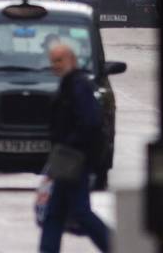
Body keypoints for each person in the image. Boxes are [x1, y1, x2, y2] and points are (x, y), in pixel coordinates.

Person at [38, 40, 111, 252]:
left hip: (75, 159)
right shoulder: (69, 83)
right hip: (67, 159)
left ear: (72, 59)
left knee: (78, 211)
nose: (56, 65)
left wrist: (70, 145)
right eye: (53, 61)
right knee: (55, 213)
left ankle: (116, 245)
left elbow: (90, 122)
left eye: (60, 60)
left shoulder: (78, 85)